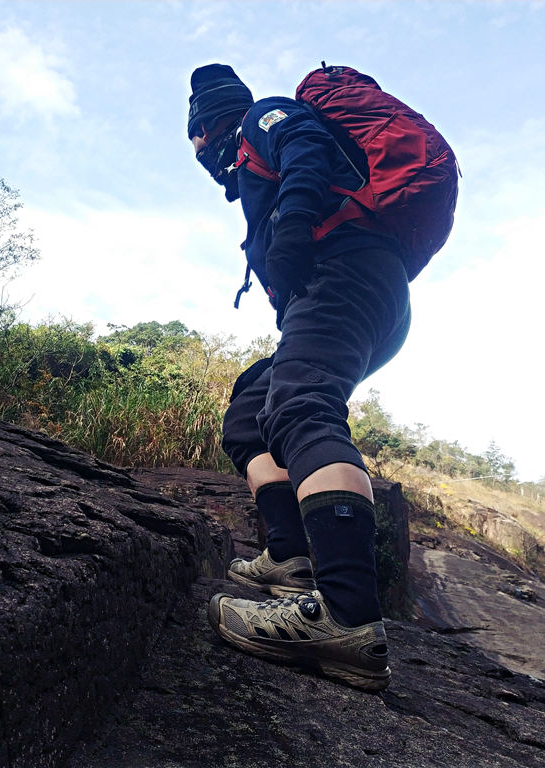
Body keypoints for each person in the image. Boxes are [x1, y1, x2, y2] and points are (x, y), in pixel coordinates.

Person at [188, 63, 413, 692]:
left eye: (195, 136)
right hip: (357, 290)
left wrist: (289, 228)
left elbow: (308, 150)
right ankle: (291, 559)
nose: (198, 151)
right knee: (250, 409)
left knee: (302, 405)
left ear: (209, 123)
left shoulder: (265, 116)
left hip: (349, 272)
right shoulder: (250, 154)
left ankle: (345, 615)